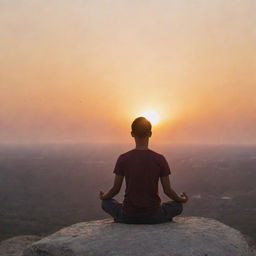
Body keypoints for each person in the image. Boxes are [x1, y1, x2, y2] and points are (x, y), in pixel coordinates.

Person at [99, 116, 188, 224]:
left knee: (105, 203)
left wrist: (104, 197)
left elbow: (115, 189)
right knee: (177, 206)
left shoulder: (123, 158)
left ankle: (121, 216)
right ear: (150, 133)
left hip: (128, 215)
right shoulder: (159, 159)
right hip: (154, 216)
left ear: (132, 134)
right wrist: (181, 199)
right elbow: (167, 190)